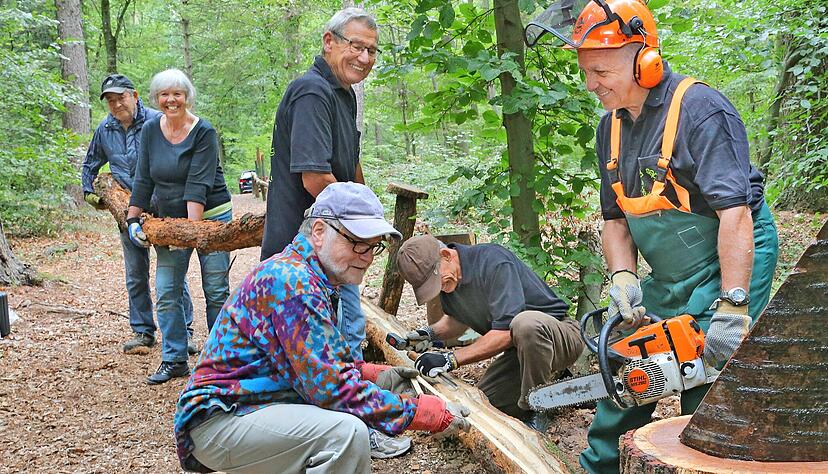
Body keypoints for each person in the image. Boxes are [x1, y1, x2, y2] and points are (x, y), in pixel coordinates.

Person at [524, 0, 779, 471]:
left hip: (728, 258)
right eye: (585, 72)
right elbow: (615, 220)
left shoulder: (701, 111)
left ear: (645, 59)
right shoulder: (611, 127)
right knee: (628, 363)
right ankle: (599, 465)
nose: (591, 84)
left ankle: (707, 461)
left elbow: (736, 214)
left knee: (705, 374)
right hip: (668, 272)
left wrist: (733, 305)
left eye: (601, 71)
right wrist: (623, 277)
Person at [173, 182, 471, 473]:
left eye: (373, 247)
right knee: (345, 434)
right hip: (221, 418)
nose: (367, 257)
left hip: (248, 407)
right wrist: (424, 412)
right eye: (357, 243)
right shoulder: (295, 285)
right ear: (318, 231)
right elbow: (332, 391)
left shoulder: (310, 275)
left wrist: (372, 374)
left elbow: (319, 363)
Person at [260, 7, 379, 362]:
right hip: (303, 251)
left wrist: (371, 215)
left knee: (347, 338)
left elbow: (350, 163)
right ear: (329, 41)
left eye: (371, 50)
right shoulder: (312, 91)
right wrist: (359, 228)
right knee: (316, 351)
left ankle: (350, 389)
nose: (364, 58)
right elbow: (315, 179)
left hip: (337, 243)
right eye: (356, 46)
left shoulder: (345, 93)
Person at [396, 235, 584, 432]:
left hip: (561, 335)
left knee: (525, 324)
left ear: (446, 255)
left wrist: (450, 359)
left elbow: (505, 331)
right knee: (482, 406)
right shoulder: (451, 280)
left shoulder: (493, 262)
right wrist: (429, 334)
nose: (438, 287)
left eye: (435, 280)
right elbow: (457, 319)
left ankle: (538, 407)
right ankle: (550, 384)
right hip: (518, 352)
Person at [126, 69, 233, 385]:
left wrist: (190, 233)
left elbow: (197, 186)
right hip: (171, 219)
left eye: (177, 94)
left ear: (187, 97)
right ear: (156, 99)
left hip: (211, 216)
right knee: (167, 289)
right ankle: (174, 359)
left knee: (215, 289)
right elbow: (143, 178)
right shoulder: (150, 130)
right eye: (164, 94)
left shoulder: (204, 132)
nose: (171, 100)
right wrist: (132, 218)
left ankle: (221, 360)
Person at [81, 73, 196, 355]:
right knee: (135, 274)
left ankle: (185, 331)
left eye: (120, 97)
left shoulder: (159, 121)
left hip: (163, 209)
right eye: (110, 100)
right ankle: (143, 331)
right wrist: (90, 194)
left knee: (172, 272)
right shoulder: (105, 129)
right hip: (127, 211)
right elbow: (89, 165)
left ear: (134, 95)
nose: (116, 104)